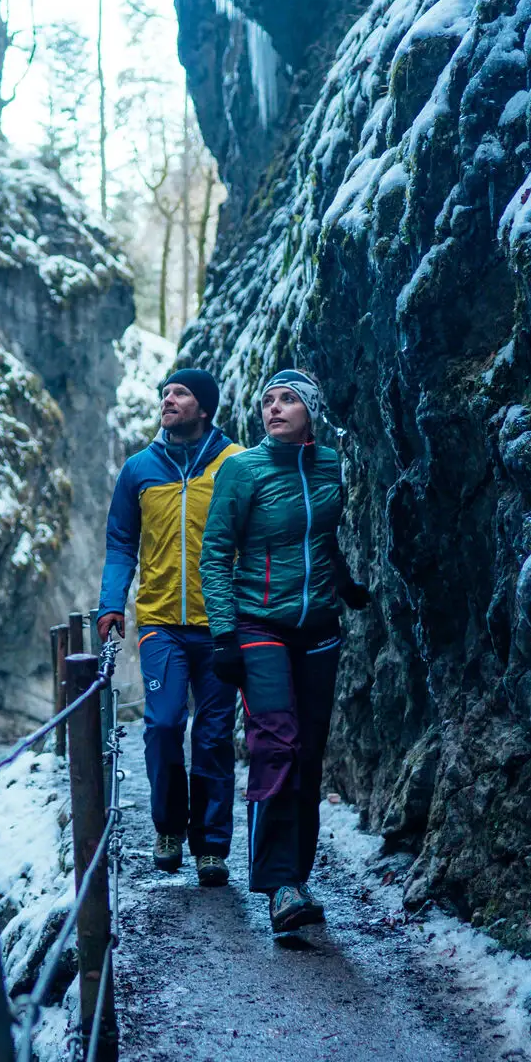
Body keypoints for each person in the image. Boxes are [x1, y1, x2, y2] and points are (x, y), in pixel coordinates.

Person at [198, 368, 371, 935]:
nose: (274, 408)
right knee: (278, 744)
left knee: (311, 752)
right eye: (268, 400)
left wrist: (344, 584)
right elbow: (215, 554)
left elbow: (322, 538)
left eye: (288, 399)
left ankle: (298, 877)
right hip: (258, 625)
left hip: (319, 627)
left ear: (310, 412)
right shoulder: (242, 470)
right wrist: (224, 636)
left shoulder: (330, 467)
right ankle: (278, 885)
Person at [97, 368, 244, 885]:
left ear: (204, 407)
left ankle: (211, 845)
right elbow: (120, 543)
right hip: (160, 621)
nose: (168, 399)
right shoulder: (139, 468)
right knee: (161, 726)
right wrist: (110, 603)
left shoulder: (234, 463)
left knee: (212, 735)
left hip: (222, 623)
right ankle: (168, 829)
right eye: (165, 393)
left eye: (180, 393)